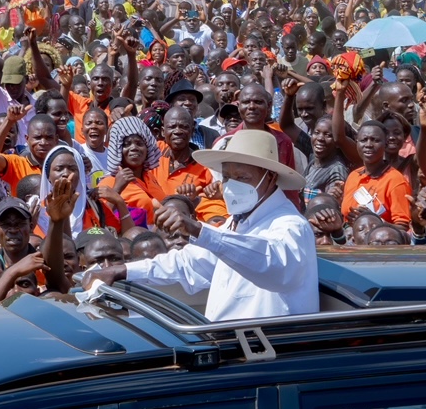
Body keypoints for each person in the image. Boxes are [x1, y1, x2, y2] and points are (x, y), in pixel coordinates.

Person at [83, 132, 317, 320]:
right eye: (227, 177)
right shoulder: (236, 223)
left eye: (243, 178)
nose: (232, 185)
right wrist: (122, 271)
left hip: (272, 359)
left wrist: (197, 230)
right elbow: (188, 264)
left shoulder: (290, 226)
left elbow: (271, 264)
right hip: (234, 347)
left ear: (271, 178)